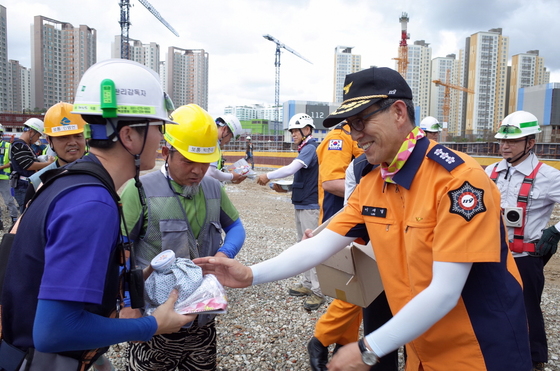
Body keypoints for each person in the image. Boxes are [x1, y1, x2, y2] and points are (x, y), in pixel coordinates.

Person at [194, 66, 531, 371]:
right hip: (419, 350)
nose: (355, 134)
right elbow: (319, 245)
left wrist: (370, 348)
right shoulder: (375, 183)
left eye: (361, 121)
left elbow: (444, 290)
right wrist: (251, 274)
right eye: (349, 124)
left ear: (399, 112)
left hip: (479, 352)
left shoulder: (458, 180)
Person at [0, 59, 196, 371]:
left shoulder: (69, 183)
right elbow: (53, 331)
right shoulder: (92, 204)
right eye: (159, 129)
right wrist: (153, 325)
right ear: (130, 136)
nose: (163, 140)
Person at [120, 103, 246, 371]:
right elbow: (118, 249)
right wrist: (129, 304)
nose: (198, 171)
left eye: (204, 162)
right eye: (188, 161)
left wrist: (224, 254)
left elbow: (236, 226)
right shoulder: (139, 190)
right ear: (167, 152)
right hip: (155, 322)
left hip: (202, 319)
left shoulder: (212, 188)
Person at [485, 110, 560, 371]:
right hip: (490, 255)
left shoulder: (548, 176)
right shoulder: (490, 170)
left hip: (526, 258)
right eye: (502, 141)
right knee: (490, 307)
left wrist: (556, 230)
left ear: (531, 142)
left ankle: (533, 360)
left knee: (528, 310)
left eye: (512, 141)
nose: (504, 146)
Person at [307, 123, 365, 369]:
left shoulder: (352, 137)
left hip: (359, 224)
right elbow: (331, 182)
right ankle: (321, 338)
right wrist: (376, 192)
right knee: (359, 288)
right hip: (344, 226)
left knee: (360, 290)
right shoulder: (339, 139)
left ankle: (345, 341)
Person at [256, 113, 324, 310]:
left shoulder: (310, 148)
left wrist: (267, 175)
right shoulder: (305, 149)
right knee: (303, 247)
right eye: (292, 131)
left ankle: (319, 292)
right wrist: (284, 188)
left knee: (313, 249)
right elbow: (303, 179)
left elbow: (291, 169)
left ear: (307, 130)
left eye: (295, 130)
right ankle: (307, 284)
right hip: (302, 203)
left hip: (310, 206)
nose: (292, 134)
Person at [23, 102, 88, 204]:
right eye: (63, 137)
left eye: (78, 136)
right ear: (49, 141)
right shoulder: (38, 182)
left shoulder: (101, 173)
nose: (72, 142)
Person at [9, 118, 55, 211]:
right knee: (26, 213)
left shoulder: (25, 146)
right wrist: (48, 164)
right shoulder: (19, 145)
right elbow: (28, 165)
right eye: (38, 136)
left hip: (27, 185)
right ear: (31, 132)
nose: (37, 139)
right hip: (23, 187)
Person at [205, 114, 246, 184]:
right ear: (224, 129)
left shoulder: (210, 141)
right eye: (230, 137)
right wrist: (232, 176)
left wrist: (231, 180)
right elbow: (210, 173)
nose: (228, 141)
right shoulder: (212, 143)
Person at [0, 124, 19, 229]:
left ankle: (14, 219)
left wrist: (1, 167)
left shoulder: (7, 146)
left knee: (8, 200)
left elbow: (12, 162)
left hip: (4, 178)